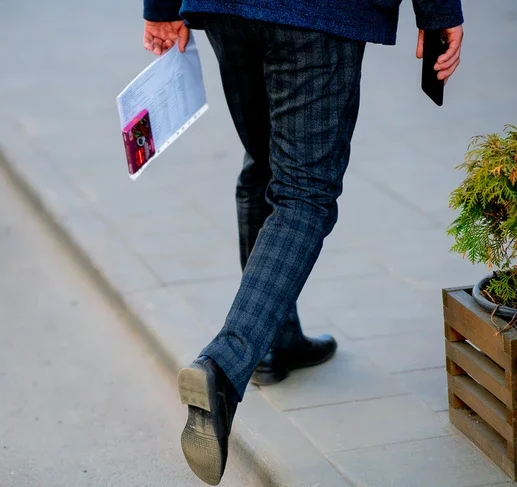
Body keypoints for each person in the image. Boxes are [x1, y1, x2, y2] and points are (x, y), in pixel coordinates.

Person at [142, 1, 464, 484]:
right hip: (317, 15)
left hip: (230, 11)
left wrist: (161, 7)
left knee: (266, 164)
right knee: (303, 194)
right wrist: (439, 12)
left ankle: (275, 342)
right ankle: (224, 365)